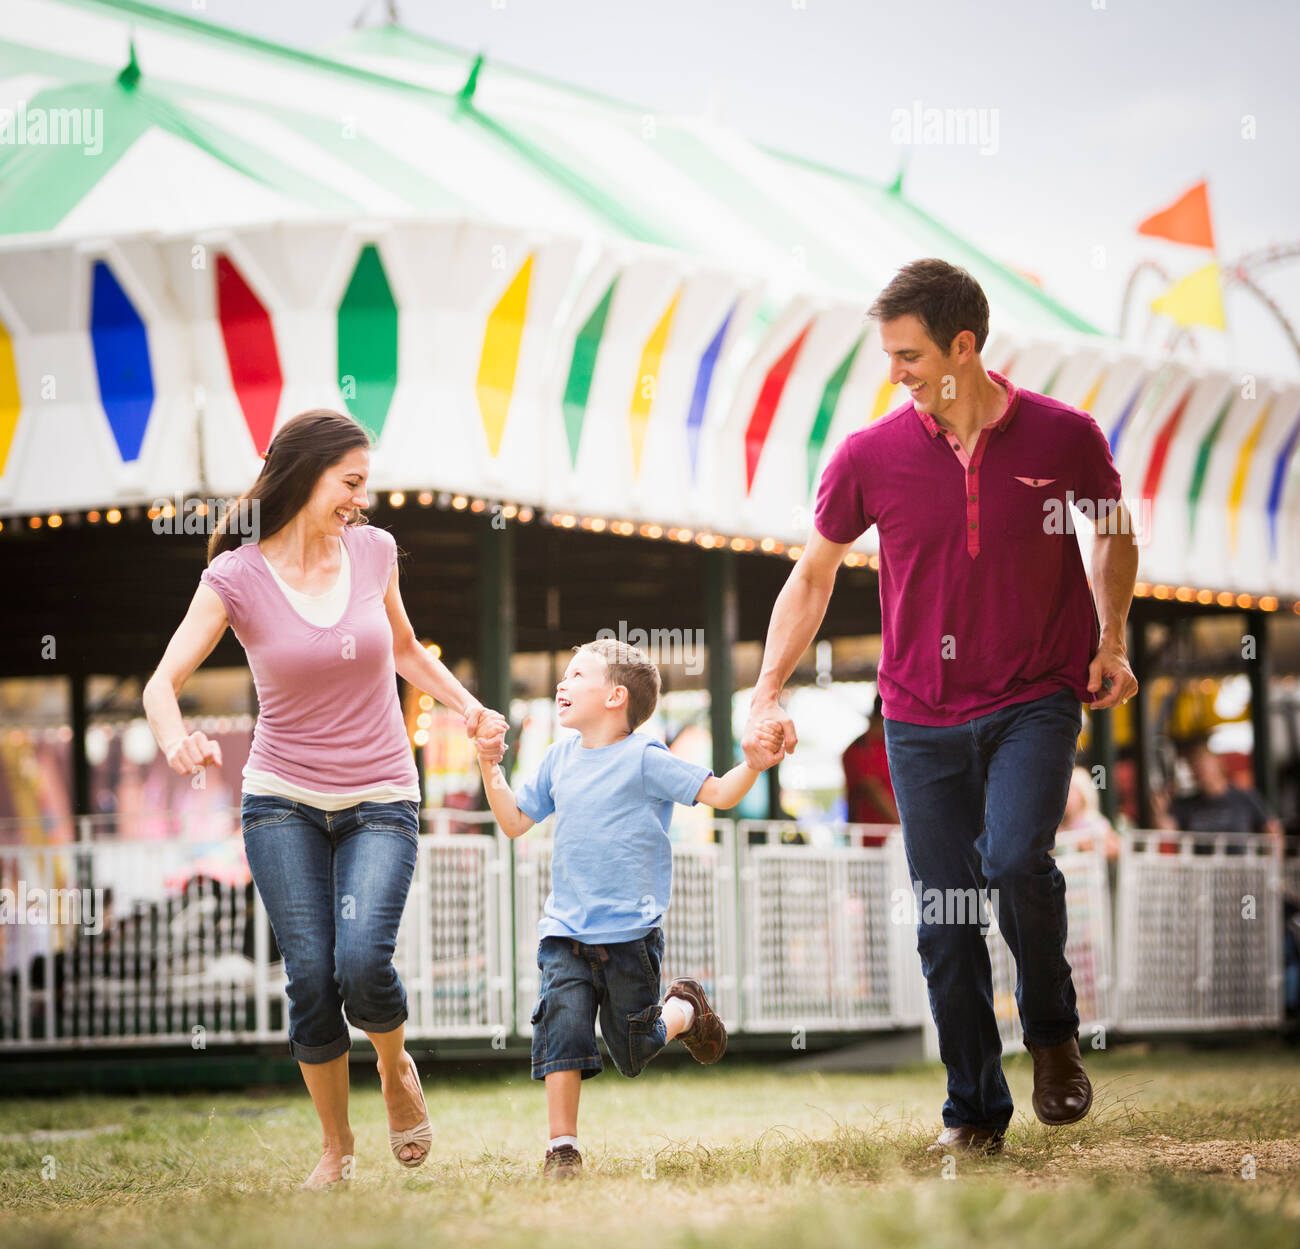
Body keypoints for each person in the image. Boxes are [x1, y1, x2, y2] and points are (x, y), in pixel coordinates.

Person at [740, 259, 1140, 1154]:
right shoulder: (868, 456)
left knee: (1014, 858)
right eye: (889, 354)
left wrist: (1110, 639)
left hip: (1036, 695)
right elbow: (812, 577)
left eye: (910, 354)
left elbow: (1113, 532)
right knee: (944, 914)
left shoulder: (1063, 438)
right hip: (918, 716)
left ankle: (1051, 1034)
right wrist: (767, 688)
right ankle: (974, 1112)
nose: (896, 373)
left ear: (965, 346)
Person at [142, 408, 507, 1189]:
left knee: (363, 960)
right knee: (310, 975)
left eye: (363, 485)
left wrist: (467, 708)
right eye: (350, 482)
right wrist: (176, 739)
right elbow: (161, 684)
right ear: (305, 474)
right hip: (280, 801)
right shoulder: (236, 576)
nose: (360, 500)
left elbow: (406, 649)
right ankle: (335, 1150)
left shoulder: (373, 553)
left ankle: (394, 1064)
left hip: (380, 792)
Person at [471, 638, 784, 1179]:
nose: (561, 685)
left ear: (616, 696)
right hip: (564, 932)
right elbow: (516, 821)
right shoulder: (557, 758)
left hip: (630, 938)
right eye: (563, 676)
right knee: (563, 1028)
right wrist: (488, 766)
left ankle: (685, 1008)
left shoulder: (646, 759)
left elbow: (721, 794)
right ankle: (562, 1149)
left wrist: (752, 765)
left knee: (633, 1051)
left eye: (575, 676)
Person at [1152, 738, 1282, 838]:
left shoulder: (1245, 798)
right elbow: (1169, 834)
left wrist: (1273, 868)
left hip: (1242, 870)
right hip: (1199, 870)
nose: (1198, 769)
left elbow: (1272, 830)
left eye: (1202, 762)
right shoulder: (1186, 804)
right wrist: (1160, 811)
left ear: (1218, 762)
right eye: (1193, 764)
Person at [842, 692, 899, 843]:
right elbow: (874, 791)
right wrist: (907, 827)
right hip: (872, 845)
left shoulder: (893, 747)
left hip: (898, 842)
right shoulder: (859, 749)